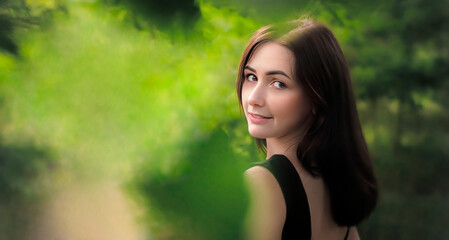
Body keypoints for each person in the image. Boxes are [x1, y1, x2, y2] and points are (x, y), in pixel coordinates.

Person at [236, 19, 378, 240]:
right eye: (251, 77)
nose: (254, 98)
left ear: (317, 98)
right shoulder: (336, 185)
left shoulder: (261, 183)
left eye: (278, 83)